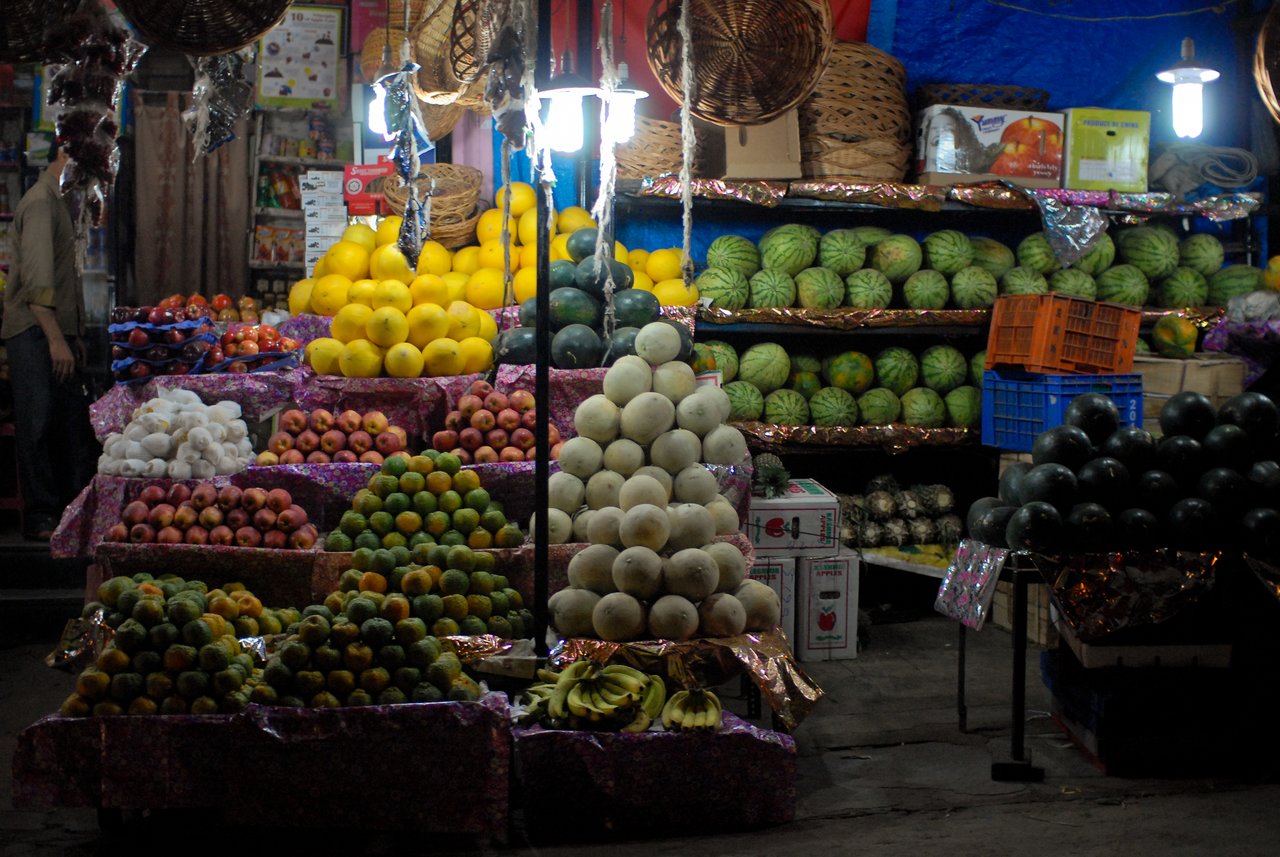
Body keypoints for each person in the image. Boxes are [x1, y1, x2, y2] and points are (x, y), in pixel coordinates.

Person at [1, 141, 95, 540]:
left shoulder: (61, 202)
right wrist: (57, 339)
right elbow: (38, 285)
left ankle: (64, 511)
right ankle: (41, 514)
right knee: (37, 424)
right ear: (65, 154)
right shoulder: (40, 203)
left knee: (67, 424)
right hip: (35, 332)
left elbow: (65, 278)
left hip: (56, 332)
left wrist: (73, 335)